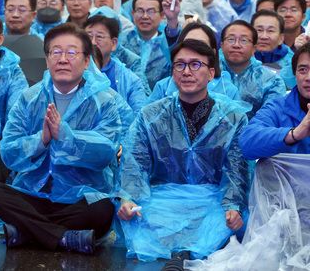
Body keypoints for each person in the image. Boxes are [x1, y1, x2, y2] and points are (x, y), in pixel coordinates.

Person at [0, 23, 122, 255]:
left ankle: (28, 232)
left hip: (78, 198)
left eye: (71, 52)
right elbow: (8, 151)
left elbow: (106, 152)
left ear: (86, 61)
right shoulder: (29, 97)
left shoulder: (104, 101)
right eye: (56, 52)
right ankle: (63, 238)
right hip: (33, 194)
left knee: (103, 209)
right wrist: (42, 140)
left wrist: (66, 136)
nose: (63, 59)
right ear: (47, 60)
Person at [117, 39, 249, 268]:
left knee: (231, 222)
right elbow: (135, 162)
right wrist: (129, 197)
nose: (187, 72)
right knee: (133, 215)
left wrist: (233, 205)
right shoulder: (151, 115)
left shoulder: (233, 118)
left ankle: (181, 255)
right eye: (180, 65)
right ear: (172, 72)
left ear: (211, 73)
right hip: (162, 199)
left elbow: (236, 169)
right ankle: (185, 254)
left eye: (195, 65)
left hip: (212, 199)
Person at [241, 43, 310, 157]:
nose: (308, 78)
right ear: (294, 74)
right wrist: (294, 134)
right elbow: (247, 143)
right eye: (302, 70)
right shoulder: (278, 107)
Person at [149, 22, 241, 102]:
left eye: (201, 45)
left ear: (213, 53)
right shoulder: (163, 87)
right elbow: (145, 119)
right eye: (188, 44)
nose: (193, 51)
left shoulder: (228, 91)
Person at [113, 0, 179, 90]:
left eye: (151, 11)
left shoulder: (169, 42)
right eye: (140, 11)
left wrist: (173, 19)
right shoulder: (121, 40)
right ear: (132, 13)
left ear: (162, 15)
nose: (145, 16)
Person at [220, 20, 286, 118]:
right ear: (221, 45)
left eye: (244, 40)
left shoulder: (272, 81)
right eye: (231, 39)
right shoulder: (208, 73)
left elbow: (270, 117)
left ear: (254, 48)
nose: (236, 45)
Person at [84, 15, 147, 115]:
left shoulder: (129, 80)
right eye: (88, 36)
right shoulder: (71, 72)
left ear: (113, 43)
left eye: (99, 37)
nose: (93, 42)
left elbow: (140, 118)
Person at [252, 9, 296, 88]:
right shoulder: (237, 55)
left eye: (270, 31)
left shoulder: (292, 61)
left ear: (281, 38)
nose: (264, 36)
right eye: (259, 30)